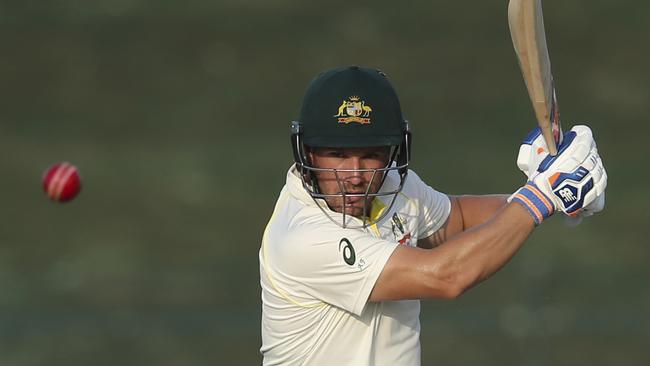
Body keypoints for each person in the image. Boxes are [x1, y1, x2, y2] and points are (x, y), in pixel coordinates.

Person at [259, 65, 607, 365]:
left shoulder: (390, 186)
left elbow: (456, 217)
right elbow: (446, 276)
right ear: (307, 153)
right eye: (336, 154)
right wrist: (541, 197)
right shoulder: (302, 238)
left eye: (371, 154)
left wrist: (551, 189)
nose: (355, 174)